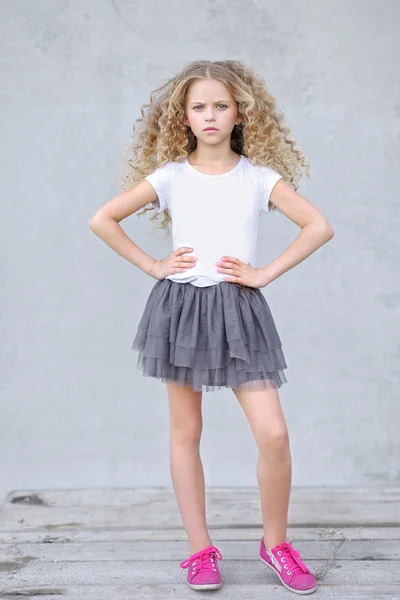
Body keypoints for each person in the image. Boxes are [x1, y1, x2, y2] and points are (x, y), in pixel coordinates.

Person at [88, 59, 334, 595]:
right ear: (183, 117)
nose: (210, 115)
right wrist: (154, 265)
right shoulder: (170, 176)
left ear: (240, 111)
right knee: (186, 431)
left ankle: (276, 544)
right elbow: (101, 219)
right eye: (198, 107)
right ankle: (200, 550)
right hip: (180, 311)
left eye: (220, 105)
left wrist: (265, 273)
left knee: (273, 432)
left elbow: (319, 226)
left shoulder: (259, 178)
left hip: (239, 310)